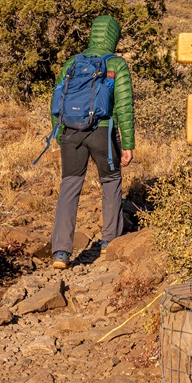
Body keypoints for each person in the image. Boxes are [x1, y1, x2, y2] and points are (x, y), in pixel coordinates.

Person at [51, 15, 134, 269]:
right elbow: (123, 107)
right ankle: (110, 242)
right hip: (102, 132)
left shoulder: (72, 62)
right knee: (110, 181)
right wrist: (127, 144)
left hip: (71, 132)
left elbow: (56, 101)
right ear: (114, 37)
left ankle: (61, 252)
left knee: (70, 186)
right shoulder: (116, 64)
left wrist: (59, 132)